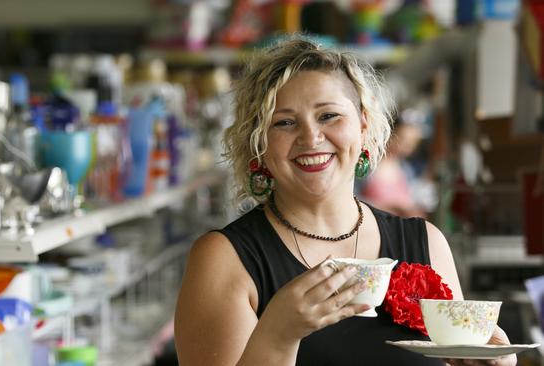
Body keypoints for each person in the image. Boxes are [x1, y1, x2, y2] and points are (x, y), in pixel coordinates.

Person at [174, 38, 515, 366]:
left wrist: (487, 362)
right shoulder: (224, 259)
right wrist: (277, 335)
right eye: (285, 123)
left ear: (363, 126)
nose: (311, 138)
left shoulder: (427, 242)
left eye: (328, 116)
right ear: (259, 145)